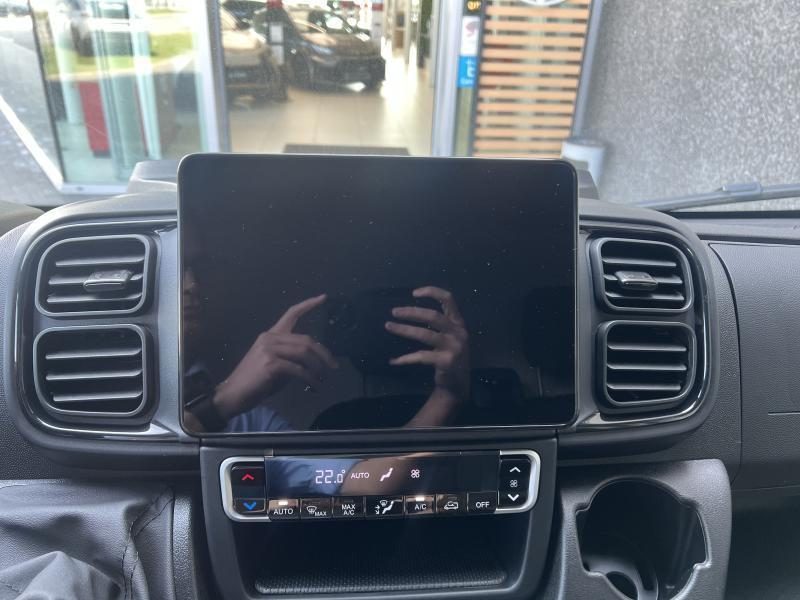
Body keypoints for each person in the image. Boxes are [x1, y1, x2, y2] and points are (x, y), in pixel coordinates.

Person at [183, 230, 469, 433]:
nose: (191, 285)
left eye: (199, 267)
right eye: (177, 265)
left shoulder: (254, 423)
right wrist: (220, 404)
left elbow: (366, 482)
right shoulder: (242, 412)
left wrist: (447, 395)